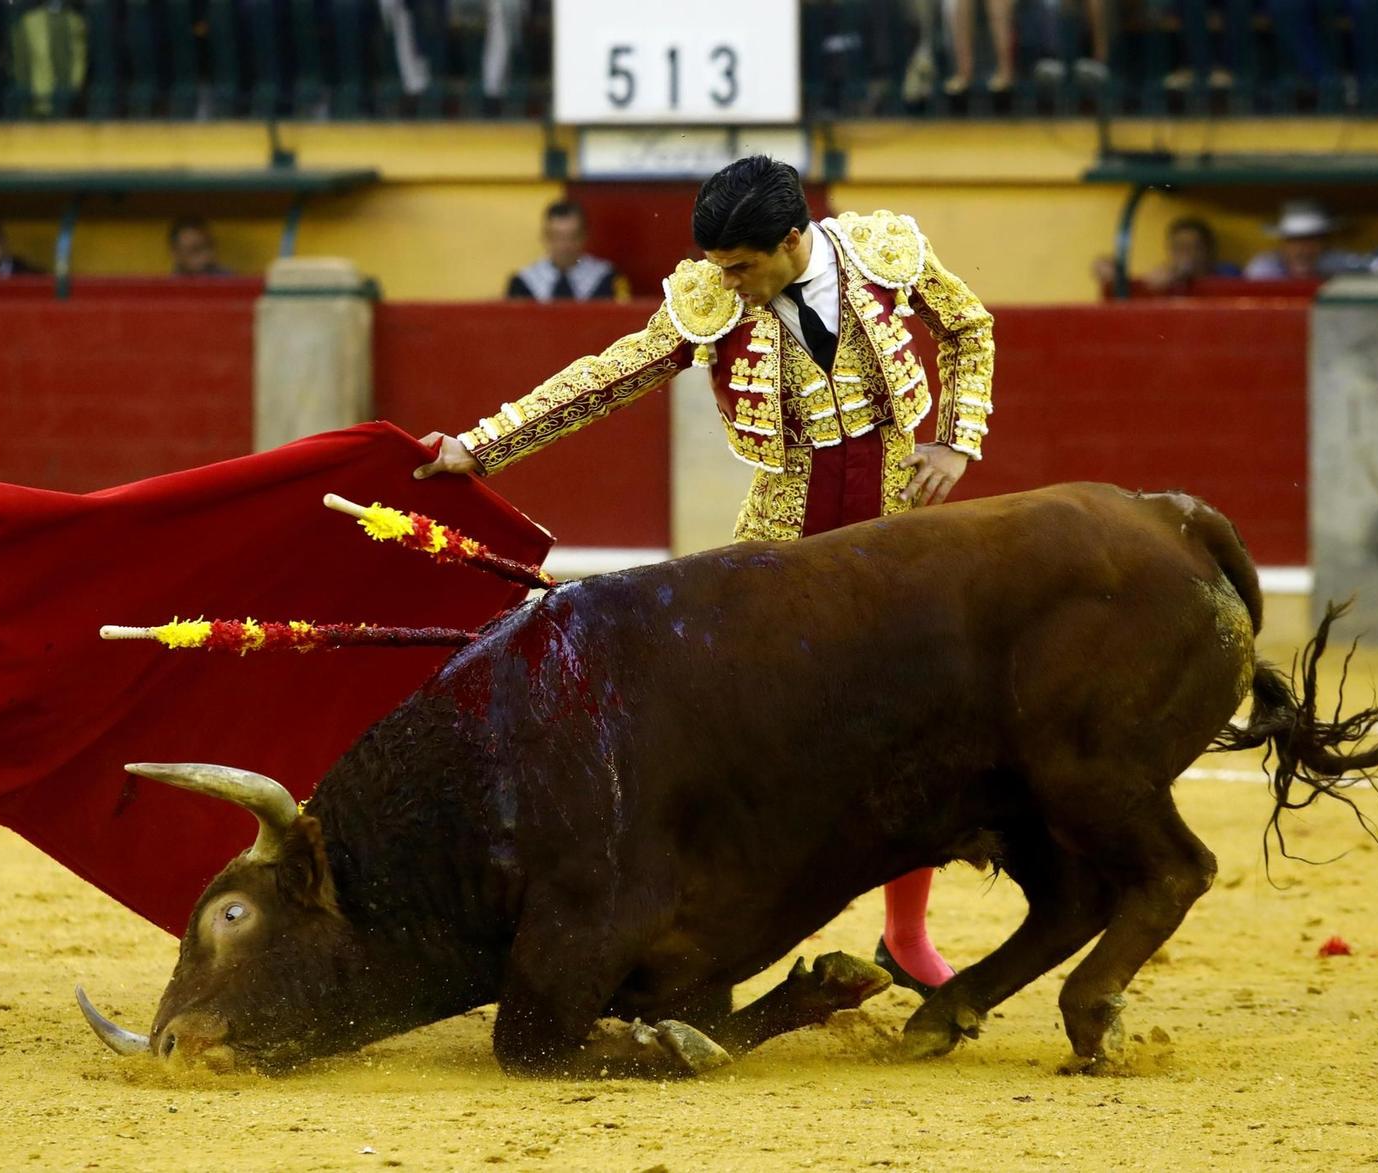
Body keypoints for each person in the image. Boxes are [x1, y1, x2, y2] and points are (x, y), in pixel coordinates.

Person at [414, 156, 997, 996]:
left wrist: (958, 436)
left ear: (795, 238)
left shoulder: (884, 251)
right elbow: (611, 375)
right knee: (746, 731)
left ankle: (905, 936)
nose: (729, 283)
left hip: (897, 522)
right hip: (781, 533)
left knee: (925, 717)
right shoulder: (715, 296)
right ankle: (705, 933)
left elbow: (968, 327)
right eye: (720, 267)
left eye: (743, 267)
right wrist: (479, 446)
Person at [505, 201, 623, 302]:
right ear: (545, 237)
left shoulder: (606, 278)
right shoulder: (523, 283)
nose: (564, 246)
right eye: (557, 237)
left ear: (584, 237)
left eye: (572, 237)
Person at [1092, 215, 1242, 293]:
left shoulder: (1228, 272)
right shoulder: (1165, 276)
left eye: (1195, 247)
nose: (1187, 254)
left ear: (1209, 250)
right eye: (1180, 248)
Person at [1244, 199, 1361, 281]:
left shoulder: (1343, 265)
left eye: (1311, 239)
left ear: (1325, 243)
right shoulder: (1264, 269)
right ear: (1283, 244)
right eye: (1294, 240)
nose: (1302, 249)